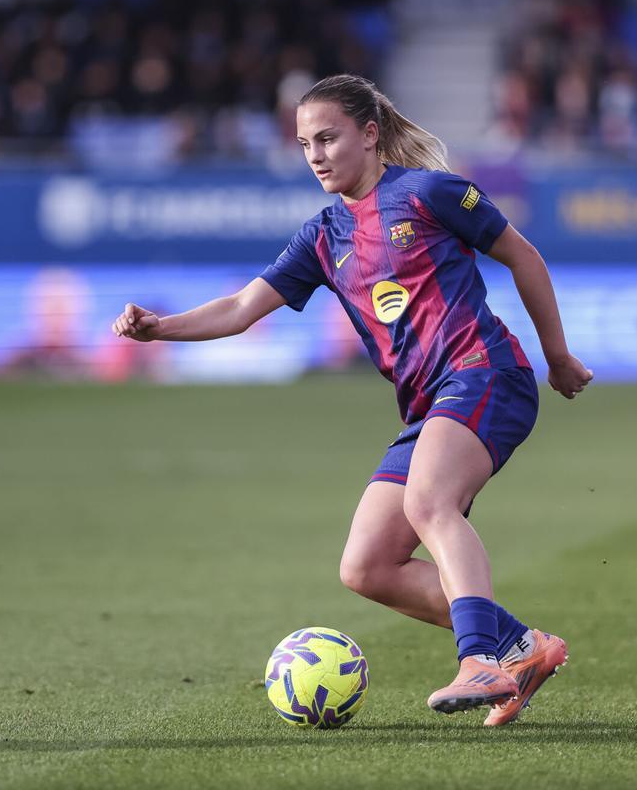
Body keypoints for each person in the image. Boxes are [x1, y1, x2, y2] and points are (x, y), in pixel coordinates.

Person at [112, 74, 592, 725]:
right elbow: (241, 306)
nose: (315, 154)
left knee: (430, 503)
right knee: (367, 566)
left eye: (328, 137)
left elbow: (524, 256)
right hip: (429, 407)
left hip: (485, 373)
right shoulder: (322, 236)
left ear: (369, 135)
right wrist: (161, 328)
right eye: (305, 142)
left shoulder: (428, 193)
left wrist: (556, 355)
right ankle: (520, 645)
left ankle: (480, 656)